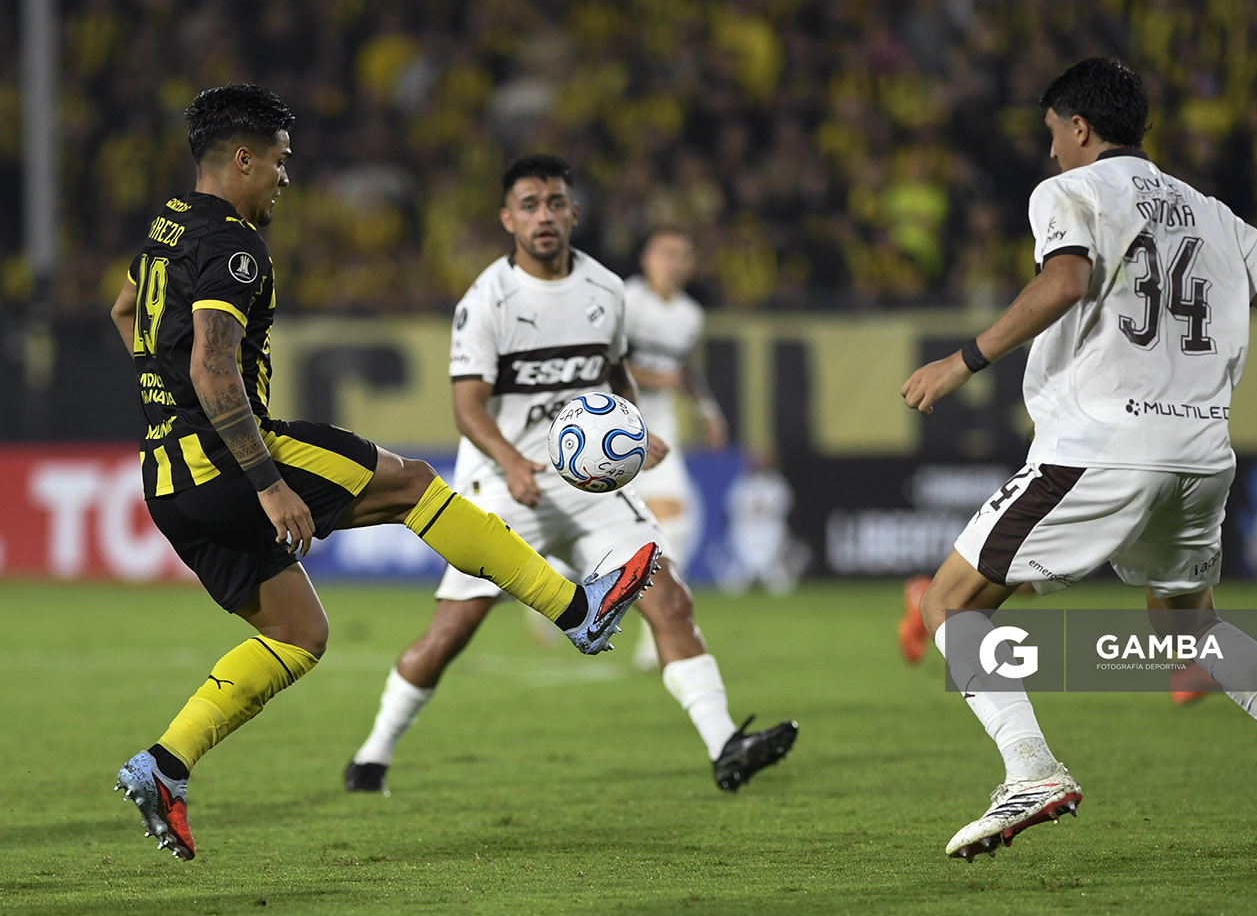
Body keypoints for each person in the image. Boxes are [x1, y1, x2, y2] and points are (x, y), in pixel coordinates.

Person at [109, 85, 659, 862]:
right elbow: (210, 364)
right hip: (228, 456)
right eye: (278, 162)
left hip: (166, 478)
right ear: (242, 159)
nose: (284, 179)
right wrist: (268, 480)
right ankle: (578, 609)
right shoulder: (237, 246)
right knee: (411, 483)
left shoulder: (164, 228)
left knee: (299, 633)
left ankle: (164, 765)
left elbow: (125, 314)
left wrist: (158, 398)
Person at [898, 58, 1257, 866]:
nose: (1049, 151)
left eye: (1053, 133)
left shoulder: (1070, 193)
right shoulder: (1219, 216)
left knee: (951, 603)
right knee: (1191, 629)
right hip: (1201, 451)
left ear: (1079, 127)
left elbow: (1065, 280)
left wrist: (962, 361)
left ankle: (1031, 770)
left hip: (1101, 447)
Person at [343, 155, 797, 796]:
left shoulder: (607, 290)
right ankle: (371, 757)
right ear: (508, 219)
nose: (544, 216)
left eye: (555, 203)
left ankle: (725, 745)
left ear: (573, 212)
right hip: (505, 484)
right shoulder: (487, 300)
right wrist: (509, 463)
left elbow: (614, 374)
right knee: (450, 634)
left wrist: (637, 432)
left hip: (587, 486)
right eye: (529, 205)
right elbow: (467, 406)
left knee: (668, 598)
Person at [622, 225, 727, 667]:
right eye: (666, 253)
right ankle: (553, 597)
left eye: (682, 255)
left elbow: (683, 369)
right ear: (646, 258)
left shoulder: (690, 315)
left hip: (660, 426)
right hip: (613, 422)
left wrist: (708, 410)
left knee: (675, 527)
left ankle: (656, 632)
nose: (674, 263)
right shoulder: (625, 301)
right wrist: (652, 378)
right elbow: (603, 361)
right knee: (592, 527)